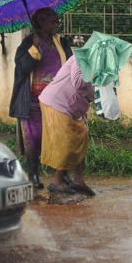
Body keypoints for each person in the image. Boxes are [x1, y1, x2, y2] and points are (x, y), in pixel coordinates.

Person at [9, 7, 73, 190]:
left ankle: (62, 174)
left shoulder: (62, 42)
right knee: (34, 138)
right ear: (41, 23)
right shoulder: (29, 43)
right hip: (33, 102)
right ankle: (34, 176)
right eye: (53, 21)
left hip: (57, 101)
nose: (57, 25)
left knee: (59, 137)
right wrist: (34, 49)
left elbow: (70, 65)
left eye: (57, 21)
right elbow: (21, 69)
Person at [39, 55, 97, 195]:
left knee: (82, 140)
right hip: (57, 103)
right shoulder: (81, 58)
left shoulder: (101, 68)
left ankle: (78, 180)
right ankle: (56, 181)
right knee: (65, 142)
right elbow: (78, 82)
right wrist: (95, 72)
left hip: (75, 108)